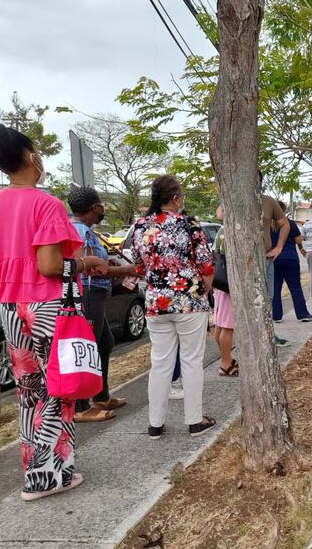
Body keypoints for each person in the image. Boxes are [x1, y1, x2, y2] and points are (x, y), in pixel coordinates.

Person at [0, 122, 108, 500]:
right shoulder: (45, 203)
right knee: (60, 387)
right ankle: (54, 475)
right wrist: (85, 263)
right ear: (32, 156)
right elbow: (50, 267)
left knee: (29, 391)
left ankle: (36, 474)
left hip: (11, 307)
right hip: (47, 306)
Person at [131, 175, 216, 439]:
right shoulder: (188, 224)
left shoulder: (141, 226)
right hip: (189, 301)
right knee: (191, 361)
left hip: (157, 303)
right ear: (176, 197)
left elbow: (138, 266)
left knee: (160, 363)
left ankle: (155, 424)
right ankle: (194, 421)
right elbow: (206, 264)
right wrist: (205, 289)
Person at [68, 185, 138, 422]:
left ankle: (101, 395)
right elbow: (92, 270)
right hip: (88, 293)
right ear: (95, 207)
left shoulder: (86, 230)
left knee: (104, 342)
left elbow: (97, 264)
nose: (102, 210)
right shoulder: (81, 232)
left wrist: (109, 263)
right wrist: (129, 270)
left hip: (95, 294)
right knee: (88, 346)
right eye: (101, 206)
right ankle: (80, 406)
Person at [259, 172, 291, 347]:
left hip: (266, 259)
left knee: (268, 298)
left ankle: (270, 335)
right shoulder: (234, 198)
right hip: (242, 263)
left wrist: (278, 247)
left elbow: (284, 224)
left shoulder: (268, 201)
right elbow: (220, 214)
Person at [271, 201, 312, 322]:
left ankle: (276, 315)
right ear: (283, 211)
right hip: (290, 258)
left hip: (273, 259)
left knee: (275, 288)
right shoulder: (290, 224)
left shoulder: (267, 225)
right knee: (295, 286)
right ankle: (302, 314)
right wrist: (300, 248)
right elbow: (298, 239)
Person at [212, 207, 238, 377]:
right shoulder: (232, 231)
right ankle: (225, 363)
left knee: (220, 324)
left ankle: (225, 357)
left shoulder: (221, 230)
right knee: (228, 326)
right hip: (230, 283)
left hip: (219, 281)